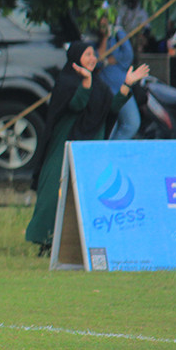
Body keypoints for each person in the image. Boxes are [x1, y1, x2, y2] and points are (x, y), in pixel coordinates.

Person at [26, 41, 149, 254]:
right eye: (88, 54)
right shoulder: (66, 81)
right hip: (66, 143)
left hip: (91, 144)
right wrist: (85, 82)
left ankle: (83, 242)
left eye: (93, 54)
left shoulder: (100, 84)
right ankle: (46, 240)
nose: (93, 58)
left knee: (90, 193)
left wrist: (127, 84)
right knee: (55, 189)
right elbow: (76, 105)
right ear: (76, 58)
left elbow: (111, 108)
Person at [95, 10, 141, 140]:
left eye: (106, 19)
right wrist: (105, 40)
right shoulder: (95, 40)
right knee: (110, 127)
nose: (103, 22)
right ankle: (110, 148)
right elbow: (97, 61)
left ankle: (113, 147)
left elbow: (128, 56)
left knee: (131, 123)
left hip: (121, 86)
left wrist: (112, 60)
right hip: (105, 90)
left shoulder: (118, 35)